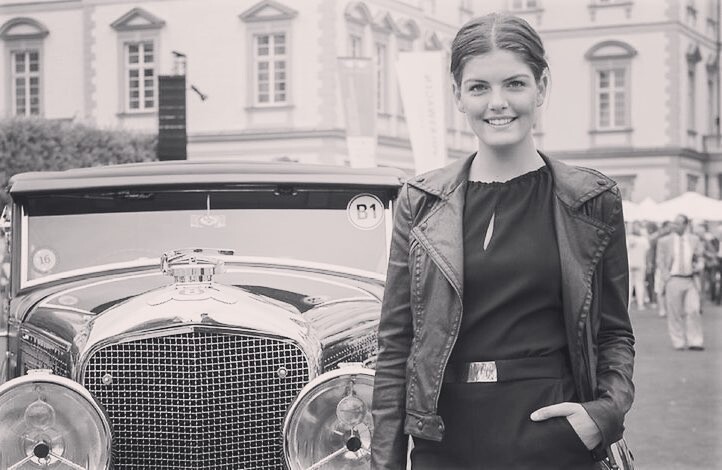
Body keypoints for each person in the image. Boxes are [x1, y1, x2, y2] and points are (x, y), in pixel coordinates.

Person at [370, 13, 635, 470]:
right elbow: (396, 347)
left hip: (554, 438)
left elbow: (615, 333)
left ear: (541, 87)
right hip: (445, 441)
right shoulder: (421, 201)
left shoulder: (592, 200)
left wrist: (603, 416)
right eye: (479, 88)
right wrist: (385, 464)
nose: (498, 103)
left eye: (514, 84)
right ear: (458, 95)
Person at [656, 214, 705, 350]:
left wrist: (700, 265)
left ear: (685, 225)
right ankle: (678, 341)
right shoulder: (664, 241)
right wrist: (666, 277)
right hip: (674, 279)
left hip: (690, 279)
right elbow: (660, 260)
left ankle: (695, 341)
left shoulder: (694, 239)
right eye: (674, 223)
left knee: (693, 310)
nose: (674, 226)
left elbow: (700, 257)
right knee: (674, 313)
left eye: (678, 223)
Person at [626, 221, 650, 309]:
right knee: (638, 284)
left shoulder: (628, 238)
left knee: (631, 285)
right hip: (638, 263)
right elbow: (647, 253)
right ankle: (640, 304)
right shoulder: (643, 239)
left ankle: (629, 304)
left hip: (633, 263)